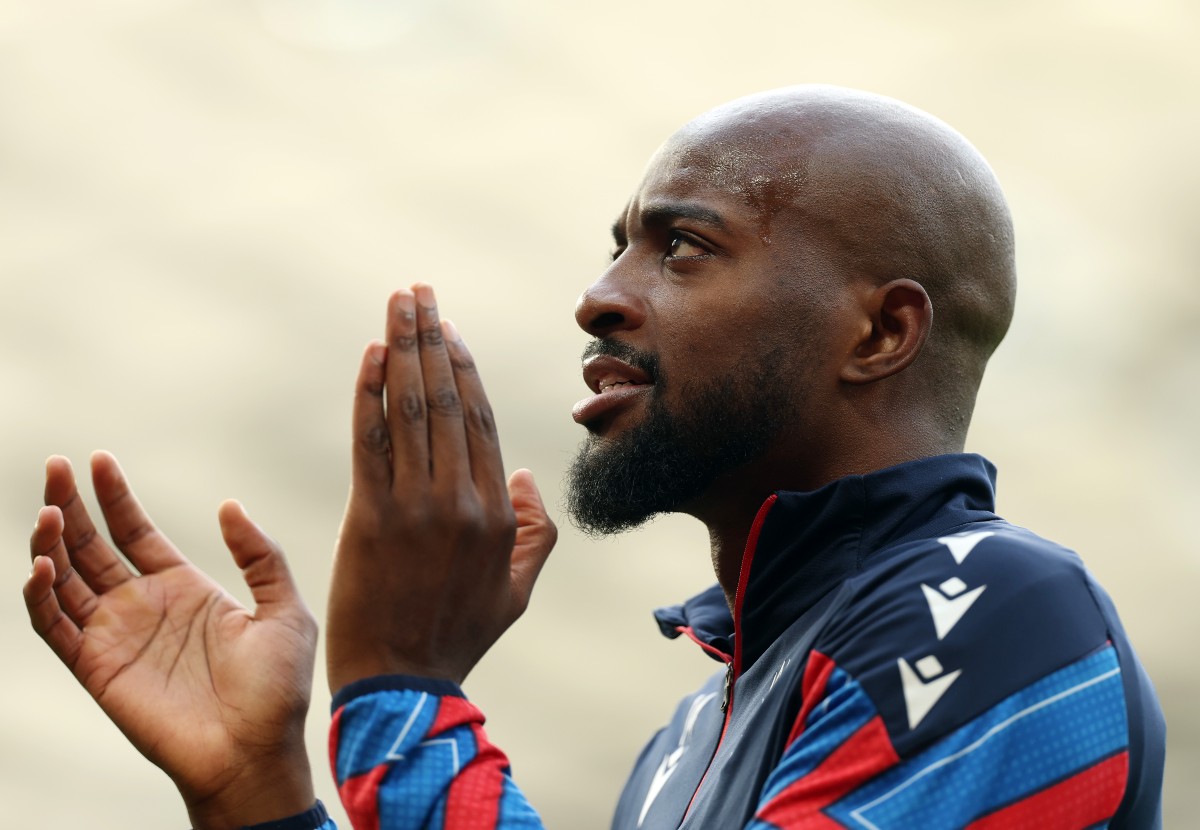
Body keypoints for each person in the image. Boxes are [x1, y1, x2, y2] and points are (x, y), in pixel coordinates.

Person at [24, 85, 1165, 829]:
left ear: (878, 332)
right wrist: (256, 796)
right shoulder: (683, 744)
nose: (600, 297)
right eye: (616, 246)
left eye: (681, 246)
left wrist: (401, 688)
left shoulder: (1004, 615)